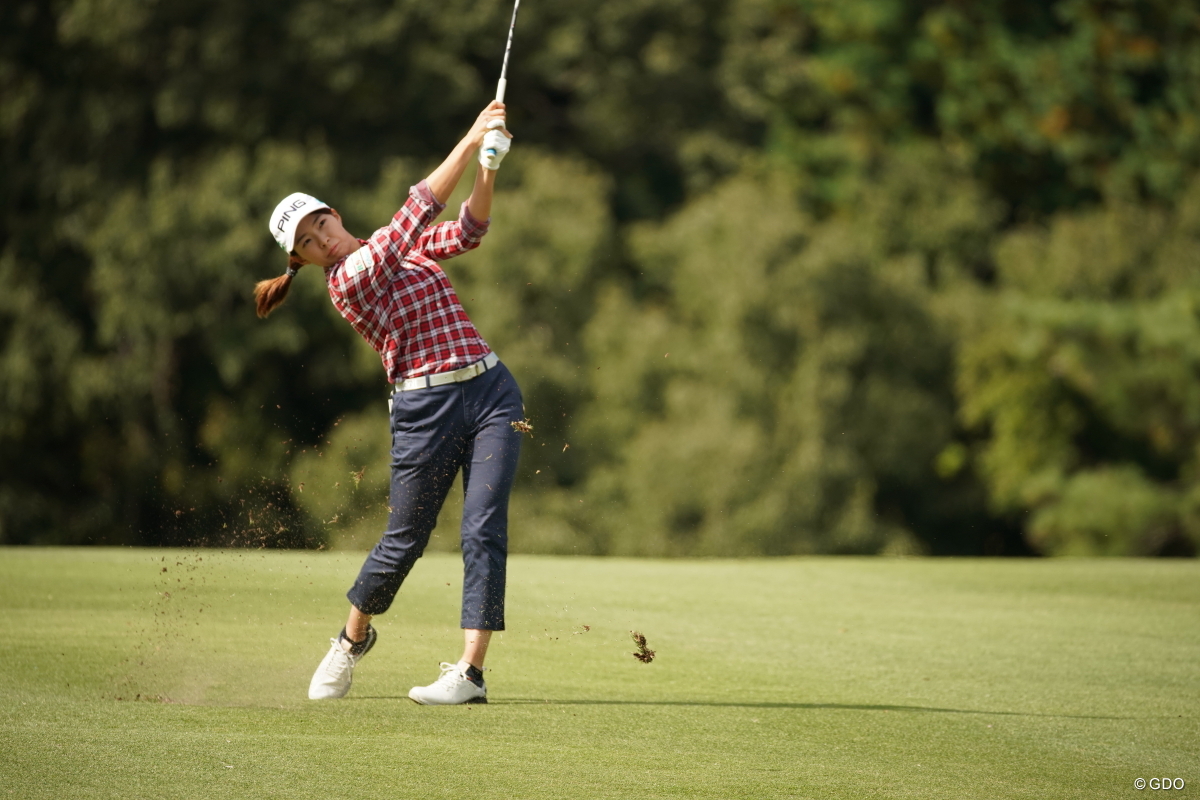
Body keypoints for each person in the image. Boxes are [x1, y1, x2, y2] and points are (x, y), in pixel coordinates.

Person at [256, 101, 519, 705]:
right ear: (301, 260)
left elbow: (469, 231)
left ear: (334, 215)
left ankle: (470, 674)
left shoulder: (392, 245)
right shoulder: (348, 281)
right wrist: (470, 134)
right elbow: (420, 207)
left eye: (320, 224)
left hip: (491, 392)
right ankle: (350, 641)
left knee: (483, 528)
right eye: (307, 242)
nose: (321, 239)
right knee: (405, 539)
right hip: (424, 414)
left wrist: (489, 165)